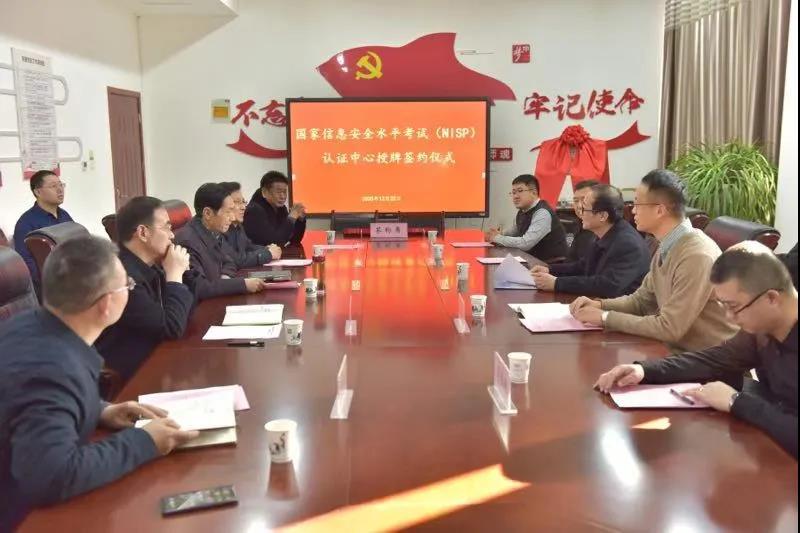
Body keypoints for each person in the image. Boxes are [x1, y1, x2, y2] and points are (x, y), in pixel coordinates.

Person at [0, 236, 198, 530]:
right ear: (106, 304)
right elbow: (52, 477)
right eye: (127, 285)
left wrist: (101, 410)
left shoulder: (29, 324)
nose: (129, 290)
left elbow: (31, 409)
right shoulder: (51, 369)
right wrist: (144, 442)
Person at [594, 241, 797, 458]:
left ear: (772, 298)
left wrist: (736, 401)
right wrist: (644, 370)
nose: (730, 318)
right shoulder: (762, 330)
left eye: (734, 307)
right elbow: (715, 359)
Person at [570, 169, 736, 352]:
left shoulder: (697, 255)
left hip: (707, 358)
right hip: (674, 351)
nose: (633, 210)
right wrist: (599, 305)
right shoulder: (667, 244)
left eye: (637, 204)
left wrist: (604, 317)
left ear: (659, 210)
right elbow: (641, 302)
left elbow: (669, 328)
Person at [94, 197, 195, 381]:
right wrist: (174, 276)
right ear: (143, 232)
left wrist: (180, 273)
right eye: (167, 227)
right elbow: (171, 327)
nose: (172, 236)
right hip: (133, 372)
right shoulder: (122, 276)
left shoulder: (150, 265)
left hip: (157, 354)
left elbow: (188, 307)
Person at [531, 184, 650, 298]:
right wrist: (550, 269)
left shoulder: (627, 243)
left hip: (618, 307)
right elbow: (583, 266)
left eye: (584, 208)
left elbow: (607, 285)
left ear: (602, 216)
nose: (580, 211)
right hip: (598, 301)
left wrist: (557, 283)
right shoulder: (604, 232)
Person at [175, 183, 268, 300]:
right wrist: (242, 285)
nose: (232, 218)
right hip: (202, 307)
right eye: (228, 212)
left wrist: (225, 279)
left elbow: (230, 261)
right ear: (208, 213)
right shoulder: (187, 242)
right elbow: (199, 287)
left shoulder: (213, 231)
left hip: (216, 298)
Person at [484, 174, 568, 262]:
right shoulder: (523, 211)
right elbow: (513, 232)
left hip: (551, 264)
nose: (515, 196)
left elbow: (526, 243)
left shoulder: (542, 213)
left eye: (520, 191)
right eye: (513, 192)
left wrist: (497, 238)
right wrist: (499, 234)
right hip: (534, 261)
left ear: (534, 193)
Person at [13, 170, 74, 282]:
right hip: (49, 284)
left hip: (72, 277)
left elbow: (78, 243)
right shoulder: (26, 223)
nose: (60, 189)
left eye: (61, 185)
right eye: (53, 186)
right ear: (38, 192)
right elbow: (26, 263)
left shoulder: (64, 215)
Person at [219, 181, 282, 267]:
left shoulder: (238, 226)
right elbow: (236, 260)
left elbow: (248, 246)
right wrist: (268, 254)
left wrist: (268, 249)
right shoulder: (220, 228)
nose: (243, 207)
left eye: (243, 202)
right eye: (237, 202)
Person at [243, 171, 306, 246]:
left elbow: (294, 239)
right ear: (265, 192)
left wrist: (299, 220)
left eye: (284, 192)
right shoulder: (254, 210)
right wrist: (291, 218)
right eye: (278, 192)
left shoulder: (281, 208)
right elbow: (274, 242)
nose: (283, 196)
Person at [566, 179, 600, 262]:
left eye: (584, 200)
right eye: (576, 201)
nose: (579, 206)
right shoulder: (579, 225)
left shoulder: (601, 230)